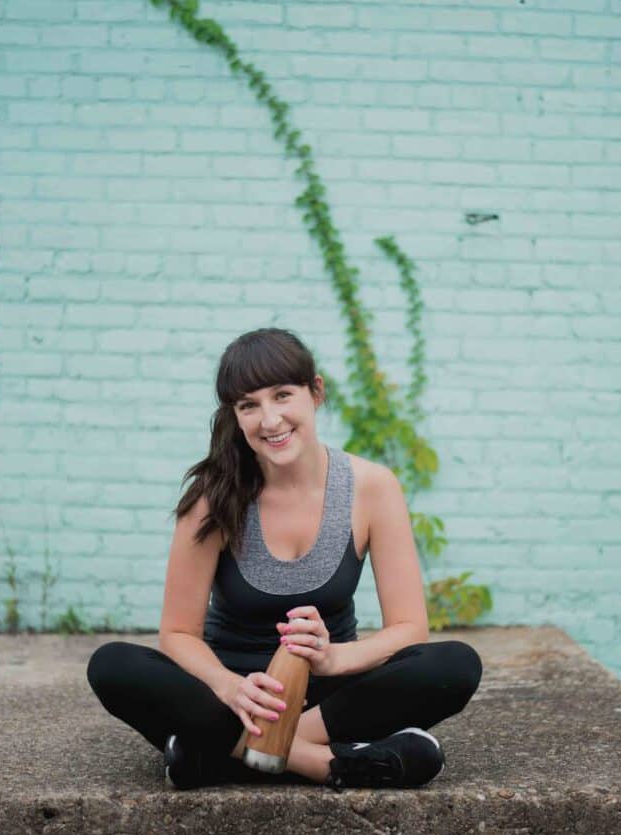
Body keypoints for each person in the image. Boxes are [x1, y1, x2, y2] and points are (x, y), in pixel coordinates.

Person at [87, 327, 483, 790]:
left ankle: (216, 753)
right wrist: (229, 687)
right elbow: (177, 633)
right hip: (235, 695)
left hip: (328, 700)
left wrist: (333, 657)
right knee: (113, 665)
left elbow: (409, 629)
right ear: (234, 416)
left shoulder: (373, 487)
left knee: (455, 664)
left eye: (282, 395)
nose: (269, 419)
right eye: (248, 405)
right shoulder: (211, 499)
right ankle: (326, 763)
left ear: (315, 392)